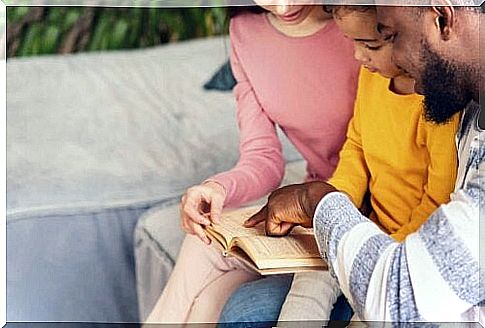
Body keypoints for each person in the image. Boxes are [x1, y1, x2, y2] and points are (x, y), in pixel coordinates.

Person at [245, 1, 484, 323]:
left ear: (442, 18)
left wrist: (315, 201)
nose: (358, 56)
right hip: (373, 231)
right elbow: (356, 147)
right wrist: (335, 204)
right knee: (295, 291)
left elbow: (398, 298)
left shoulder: (442, 105)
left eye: (387, 37)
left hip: (401, 248)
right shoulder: (461, 104)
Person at [144, 2, 361, 324]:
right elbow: (263, 156)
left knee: (218, 302)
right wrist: (216, 188)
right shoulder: (245, 32)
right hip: (305, 206)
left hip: (357, 206)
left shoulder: (360, 24)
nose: (283, 5)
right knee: (203, 254)